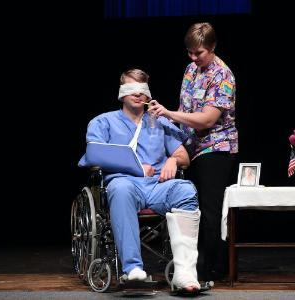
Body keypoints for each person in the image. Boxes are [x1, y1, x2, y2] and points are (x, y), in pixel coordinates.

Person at [78, 69, 201, 291]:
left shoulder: (160, 123)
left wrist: (173, 160)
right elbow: (95, 155)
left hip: (157, 187)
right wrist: (134, 167)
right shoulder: (103, 122)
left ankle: (185, 272)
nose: (137, 94)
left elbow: (184, 156)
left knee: (185, 190)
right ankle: (133, 268)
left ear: (148, 94)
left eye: (142, 89)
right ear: (121, 93)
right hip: (124, 184)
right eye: (131, 89)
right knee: (122, 189)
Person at [148, 22, 238, 281]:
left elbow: (208, 119)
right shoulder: (191, 70)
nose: (193, 57)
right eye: (190, 52)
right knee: (191, 208)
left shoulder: (223, 75)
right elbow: (184, 110)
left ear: (213, 47)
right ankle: (192, 266)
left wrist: (169, 113)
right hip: (191, 148)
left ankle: (209, 270)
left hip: (216, 148)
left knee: (211, 212)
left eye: (199, 52)